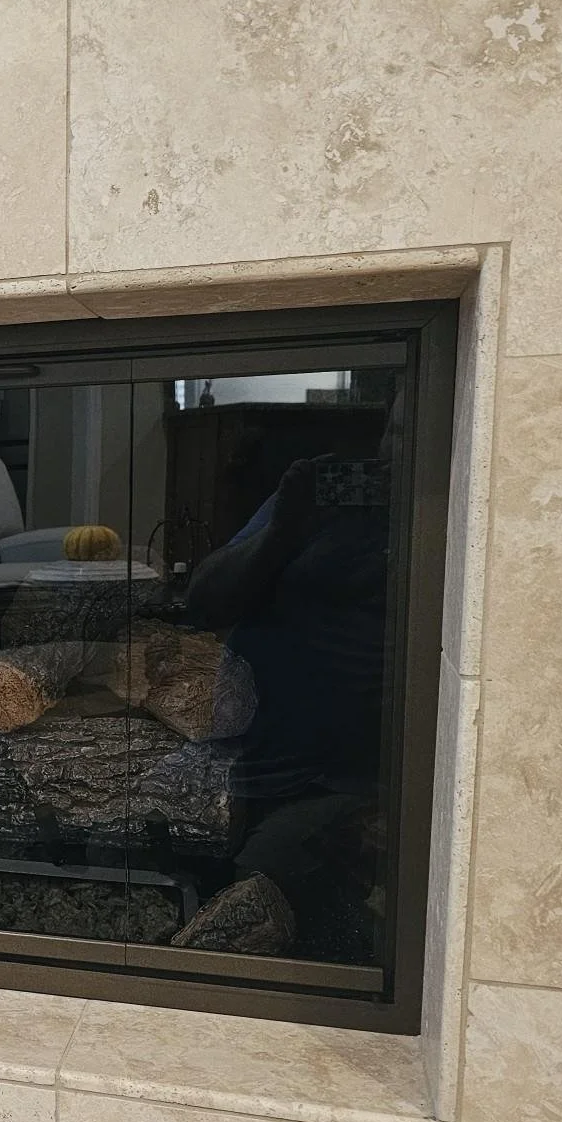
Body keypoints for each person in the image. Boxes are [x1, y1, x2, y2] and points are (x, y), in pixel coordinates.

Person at [183, 397, 400, 934]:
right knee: (175, 859)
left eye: (413, 433)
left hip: (344, 774)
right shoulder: (318, 501)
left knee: (251, 895)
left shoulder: (431, 520)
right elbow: (204, 602)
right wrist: (284, 530)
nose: (396, 450)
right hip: (246, 755)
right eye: (394, 430)